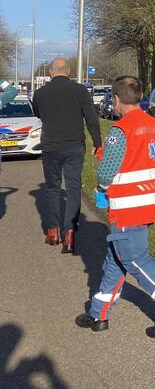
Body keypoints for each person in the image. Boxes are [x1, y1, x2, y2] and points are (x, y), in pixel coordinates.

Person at [75, 75, 155, 337]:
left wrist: (101, 188)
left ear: (116, 100)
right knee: (115, 261)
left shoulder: (121, 130)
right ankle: (98, 313)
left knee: (135, 259)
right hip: (150, 203)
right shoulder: (154, 125)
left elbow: (107, 171)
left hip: (128, 206)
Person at [31, 58, 102, 253]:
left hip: (51, 146)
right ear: (69, 71)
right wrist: (97, 142)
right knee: (72, 188)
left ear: (51, 72)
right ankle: (70, 232)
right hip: (74, 146)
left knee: (52, 188)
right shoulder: (80, 91)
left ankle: (53, 230)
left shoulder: (40, 93)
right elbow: (92, 119)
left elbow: (38, 113)